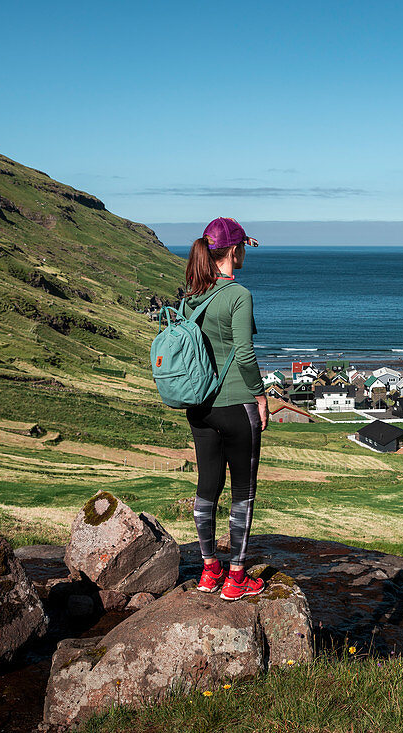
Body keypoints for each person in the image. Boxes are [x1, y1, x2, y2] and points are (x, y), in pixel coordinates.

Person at [181, 217, 268, 601]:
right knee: (243, 492)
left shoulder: (190, 299)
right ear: (234, 251)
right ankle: (236, 578)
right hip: (236, 405)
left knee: (207, 487)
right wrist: (261, 395)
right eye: (243, 247)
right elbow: (245, 355)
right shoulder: (239, 295)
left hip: (200, 408)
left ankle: (208, 569)